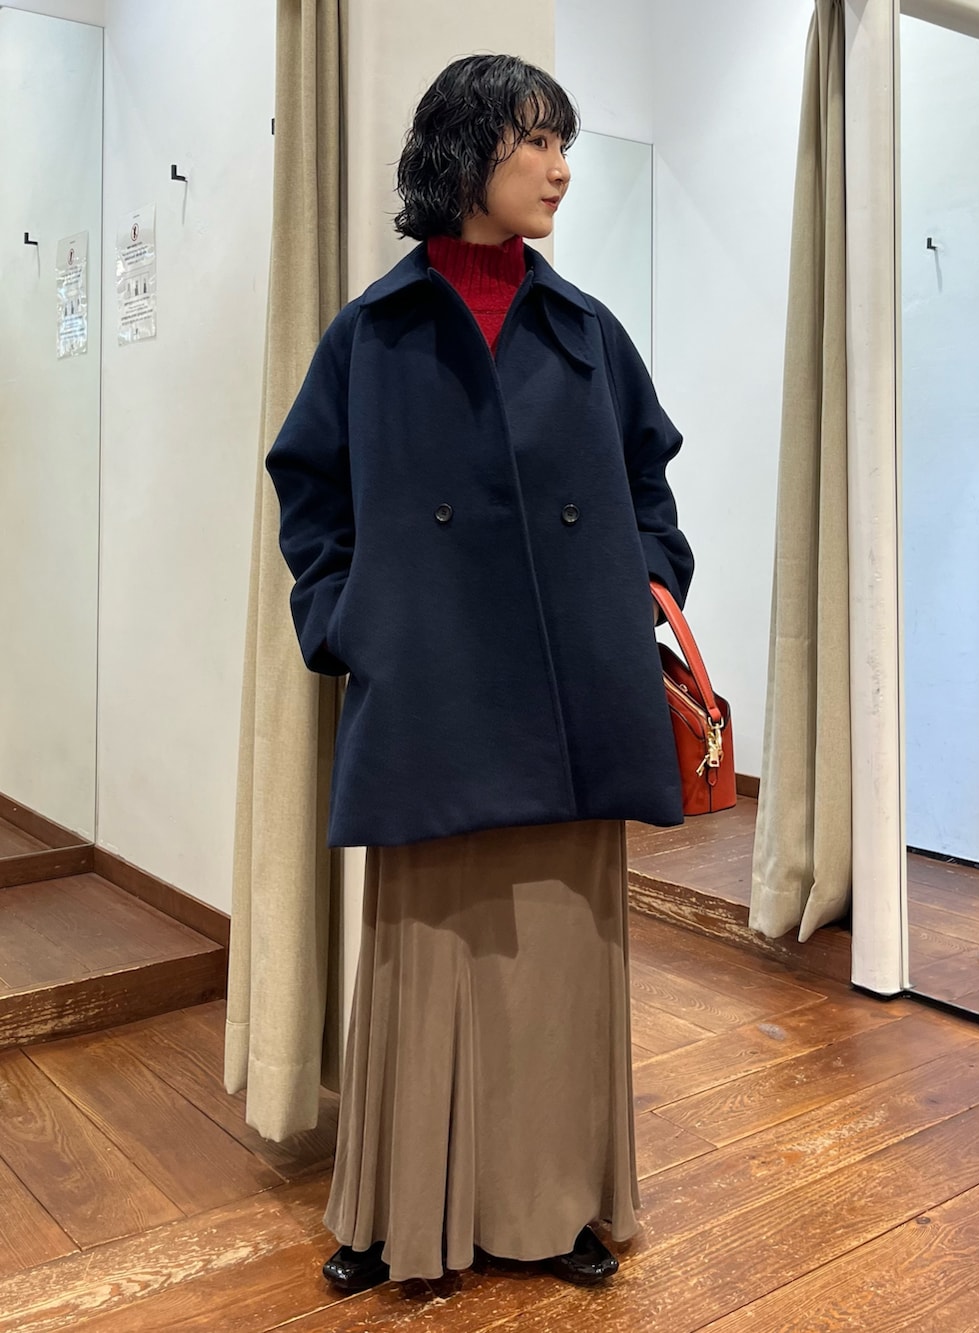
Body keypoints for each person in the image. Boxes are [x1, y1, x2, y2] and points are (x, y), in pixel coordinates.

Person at [266, 53, 694, 1292]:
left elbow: (650, 482)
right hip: (433, 697)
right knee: (428, 951)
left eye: (565, 145)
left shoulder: (585, 332)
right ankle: (398, 1212)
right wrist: (350, 620)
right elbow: (310, 492)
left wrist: (643, 586)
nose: (560, 170)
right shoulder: (373, 333)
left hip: (571, 699)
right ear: (467, 151)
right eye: (536, 142)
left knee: (559, 958)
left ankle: (556, 1206)